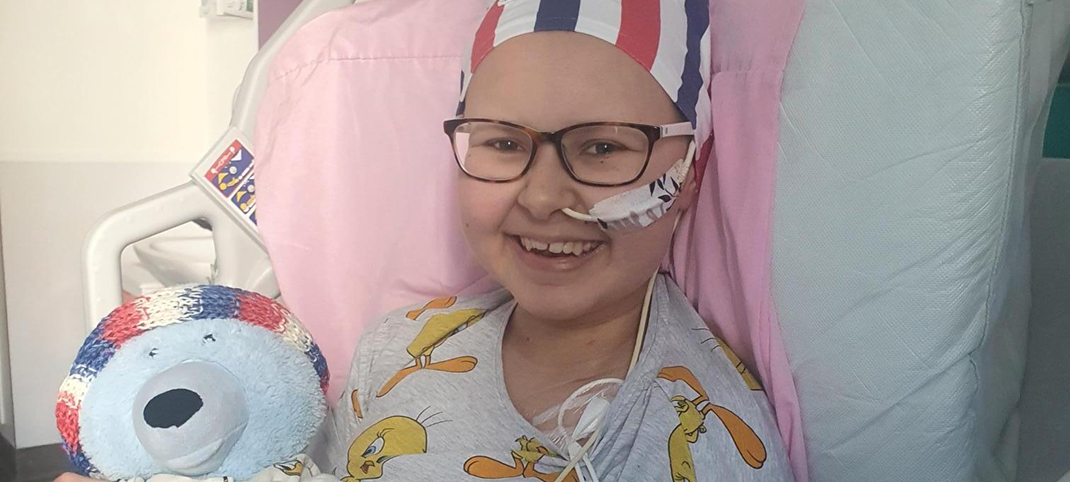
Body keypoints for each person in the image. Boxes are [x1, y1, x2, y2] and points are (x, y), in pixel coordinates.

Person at [56, 0, 794, 481]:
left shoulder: (712, 438)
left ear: (688, 172)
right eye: (503, 143)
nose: (541, 195)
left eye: (603, 148)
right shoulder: (396, 351)